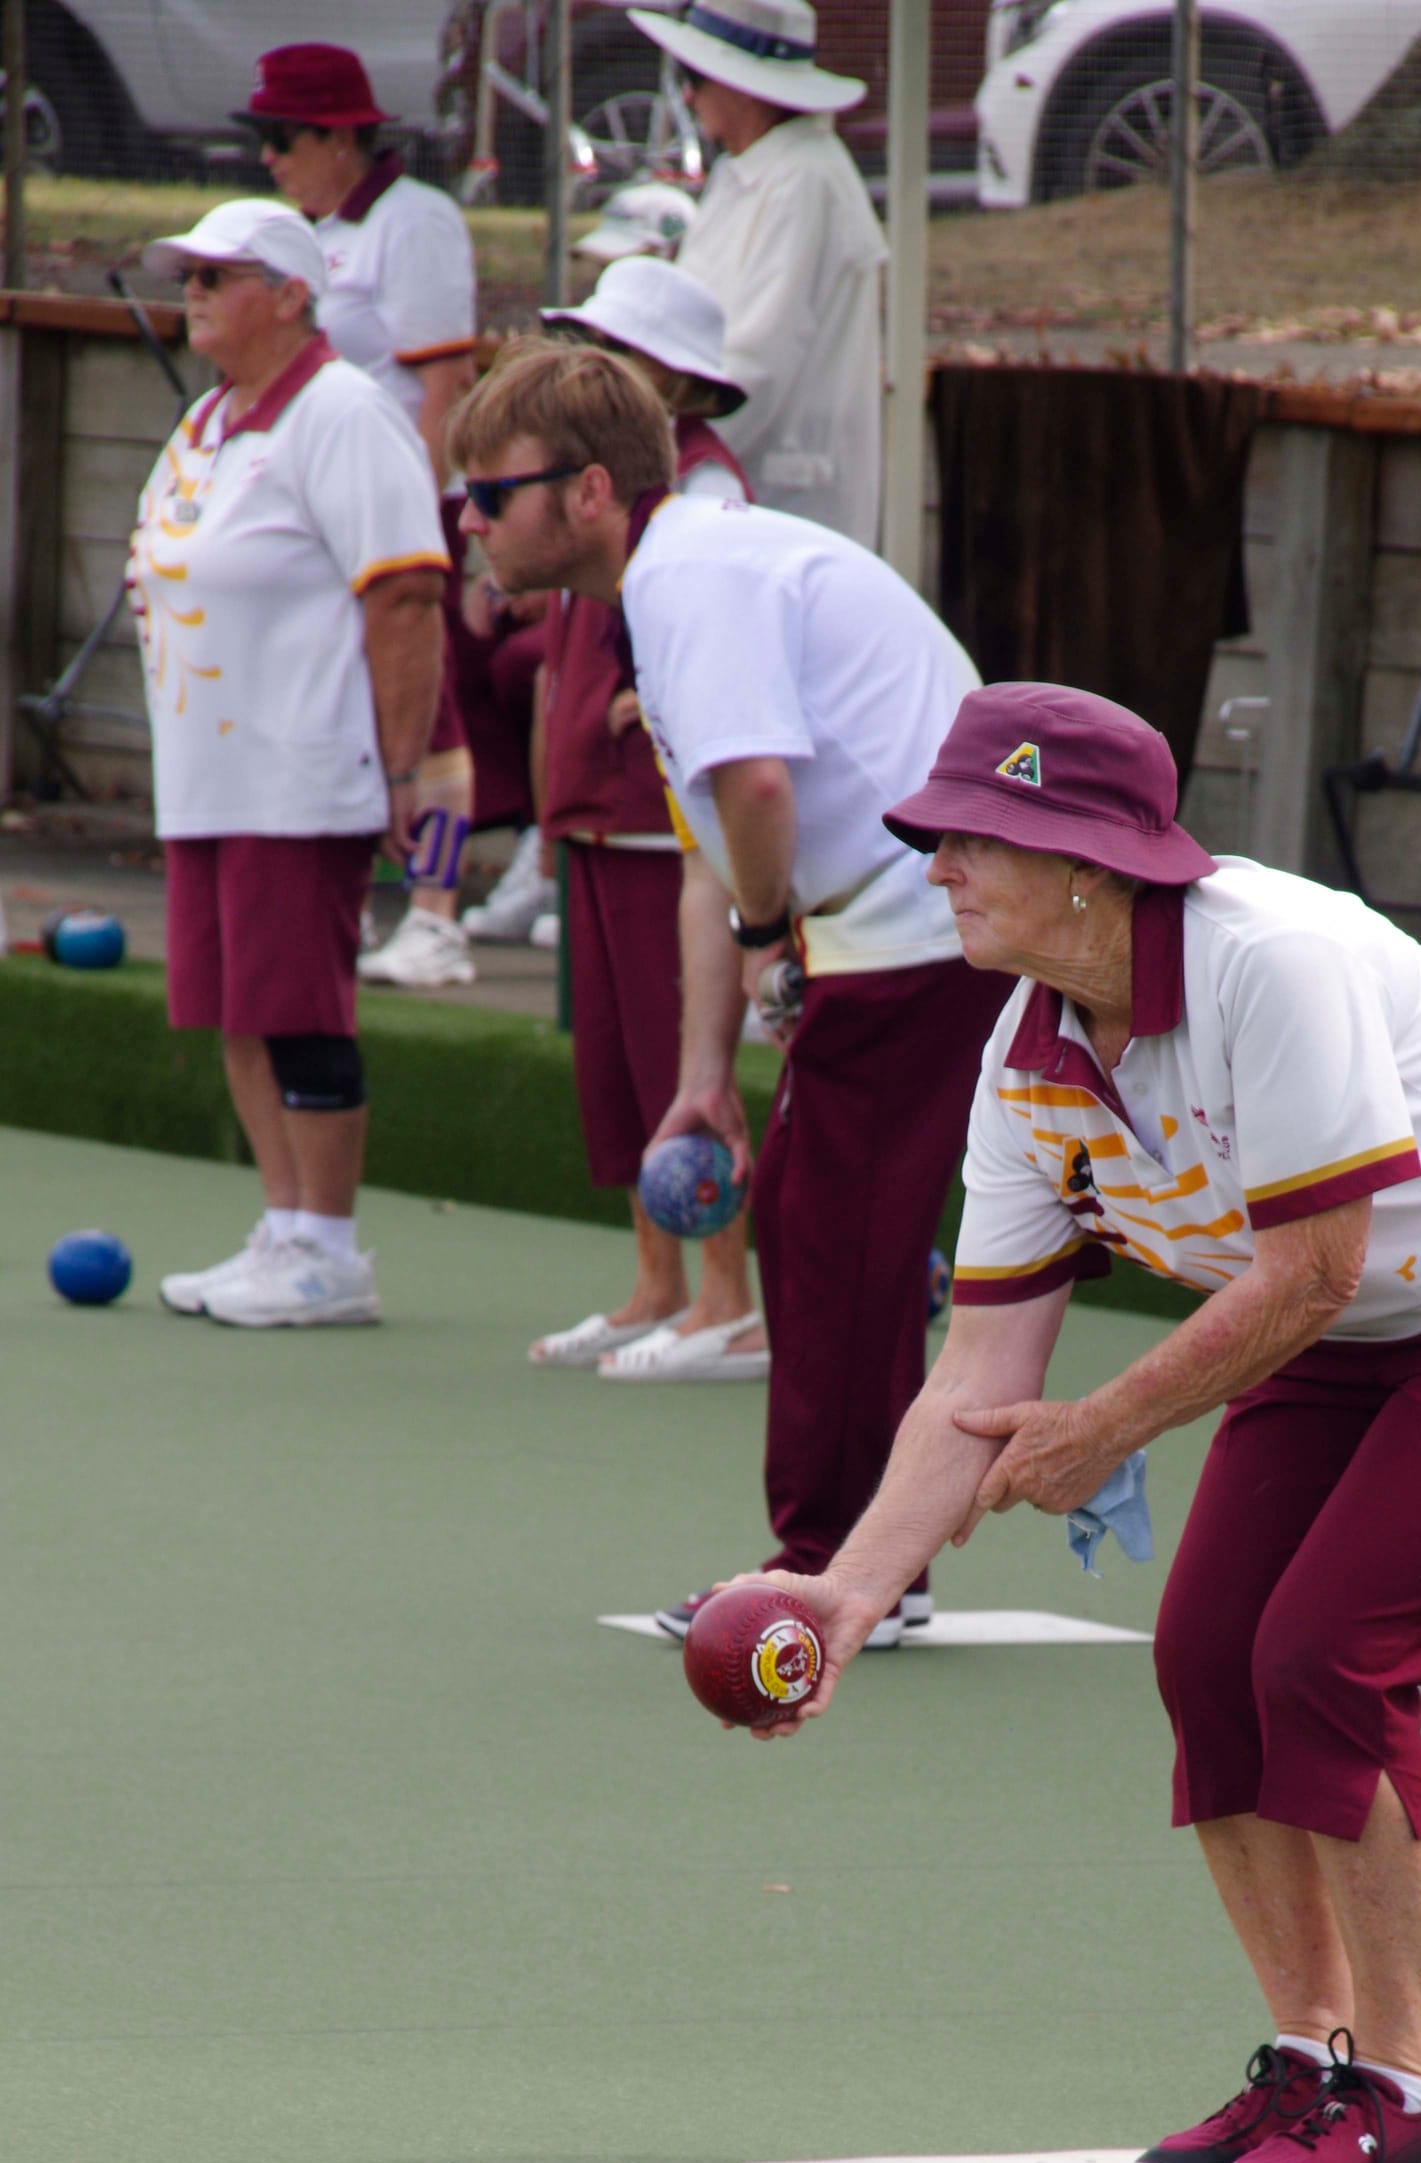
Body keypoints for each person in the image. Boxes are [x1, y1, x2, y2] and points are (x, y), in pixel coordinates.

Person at [730, 682, 1421, 2163]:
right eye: (937, 839)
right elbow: (980, 1367)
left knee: (1326, 1659)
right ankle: (1315, 2061)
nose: (938, 868)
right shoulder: (1024, 1055)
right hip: (1355, 1319)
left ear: (1090, 867)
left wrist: (1105, 1426)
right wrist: (848, 1591)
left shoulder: (1273, 963)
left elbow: (1311, 1270)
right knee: (1205, 1656)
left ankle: (1411, 2101)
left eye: (975, 839)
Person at [450, 341, 1010, 1640]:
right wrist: (705, 1078)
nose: (470, 524)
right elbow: (712, 848)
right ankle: (873, 1562)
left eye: (489, 495)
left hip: (935, 928)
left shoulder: (688, 580)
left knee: (832, 1244)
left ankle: (831, 1566)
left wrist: (771, 934)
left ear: (589, 492)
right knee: (826, 1236)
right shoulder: (668, 582)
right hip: (906, 926)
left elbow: (756, 794)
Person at [128, 199, 445, 1327]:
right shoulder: (209, 418)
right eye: (189, 276)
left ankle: (331, 1250)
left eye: (218, 276)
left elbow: (407, 594)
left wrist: (402, 772)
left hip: (302, 773)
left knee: (302, 1009)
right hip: (207, 776)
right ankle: (285, 1225)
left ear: (292, 294)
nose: (194, 293)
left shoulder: (344, 414)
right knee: (239, 1010)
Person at [526, 259, 763, 1374]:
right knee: (619, 1070)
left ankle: (728, 1298)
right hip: (593, 809)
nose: (590, 371)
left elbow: (718, 622)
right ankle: (656, 1286)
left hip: (659, 821)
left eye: (614, 354)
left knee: (679, 1058)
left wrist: (654, 690)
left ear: (679, 382)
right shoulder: (599, 487)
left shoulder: (703, 490)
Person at [244, 41, 485, 994]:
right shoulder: (315, 232)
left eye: (282, 135)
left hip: (399, 519)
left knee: (434, 721)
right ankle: (376, 906)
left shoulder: (414, 222)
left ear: (341, 138)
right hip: (329, 522)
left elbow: (446, 385)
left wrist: (413, 523)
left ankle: (437, 918)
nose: (268, 156)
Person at [632, 0, 886, 548]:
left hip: (779, 504)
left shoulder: (804, 180)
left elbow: (754, 363)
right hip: (730, 487)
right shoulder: (749, 170)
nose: (688, 96)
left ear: (743, 85)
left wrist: (647, 452)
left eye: (694, 76)